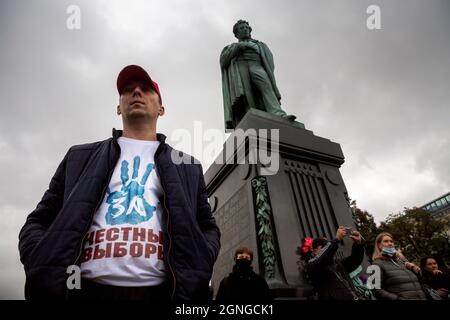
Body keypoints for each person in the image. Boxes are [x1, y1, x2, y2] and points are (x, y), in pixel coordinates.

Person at [18, 65, 221, 300]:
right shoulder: (79, 157)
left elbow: (207, 226)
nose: (136, 92)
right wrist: (39, 258)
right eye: (127, 90)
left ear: (161, 109)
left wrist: (203, 258)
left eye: (146, 89)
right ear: (118, 107)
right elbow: (39, 219)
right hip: (84, 291)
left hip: (163, 292)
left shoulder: (186, 166)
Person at [220, 19, 296, 130]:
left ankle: (278, 113)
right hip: (240, 67)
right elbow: (223, 61)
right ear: (236, 33)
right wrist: (238, 48)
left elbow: (269, 61)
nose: (245, 29)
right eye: (242, 28)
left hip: (257, 65)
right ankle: (252, 118)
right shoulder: (230, 47)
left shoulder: (259, 44)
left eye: (247, 27)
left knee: (266, 88)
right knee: (247, 94)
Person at [306, 227, 365, 300]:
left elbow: (355, 260)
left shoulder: (337, 263)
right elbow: (323, 257)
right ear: (315, 251)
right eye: (324, 245)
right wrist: (336, 239)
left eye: (328, 245)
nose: (328, 247)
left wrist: (358, 244)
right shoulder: (312, 265)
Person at [371, 232, 426, 300]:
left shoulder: (403, 262)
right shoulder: (376, 264)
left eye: (391, 241)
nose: (390, 243)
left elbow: (422, 281)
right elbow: (376, 290)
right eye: (386, 241)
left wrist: (415, 270)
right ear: (379, 245)